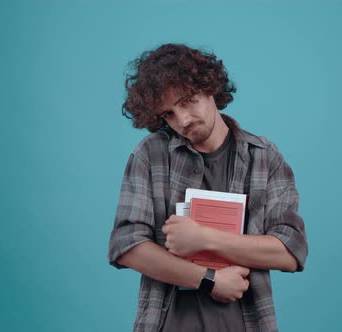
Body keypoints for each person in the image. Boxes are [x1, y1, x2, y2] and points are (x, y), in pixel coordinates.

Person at [108, 43, 308, 332]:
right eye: (169, 114)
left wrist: (204, 238)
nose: (183, 120)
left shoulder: (264, 157)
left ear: (210, 88)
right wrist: (208, 278)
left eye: (188, 100)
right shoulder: (150, 155)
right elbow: (126, 245)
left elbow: (290, 253)